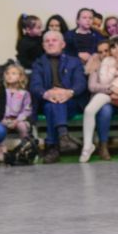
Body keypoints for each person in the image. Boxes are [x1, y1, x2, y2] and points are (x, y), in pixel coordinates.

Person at [30, 30, 86, 163]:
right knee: (52, 105)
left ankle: (52, 147)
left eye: (54, 40)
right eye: (47, 41)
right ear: (43, 45)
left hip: (71, 102)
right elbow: (35, 86)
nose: (50, 43)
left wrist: (69, 92)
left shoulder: (74, 62)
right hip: (47, 101)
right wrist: (46, 93)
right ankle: (63, 136)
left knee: (53, 105)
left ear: (63, 44)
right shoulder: (38, 63)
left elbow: (81, 83)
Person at [0, 63, 33, 161]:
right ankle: (1, 150)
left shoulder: (24, 93)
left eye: (13, 73)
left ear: (20, 77)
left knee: (22, 126)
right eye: (7, 73)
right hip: (4, 119)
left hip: (18, 120)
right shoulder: (2, 92)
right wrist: (4, 119)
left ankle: (25, 147)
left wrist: (17, 120)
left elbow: (27, 109)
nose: (9, 76)